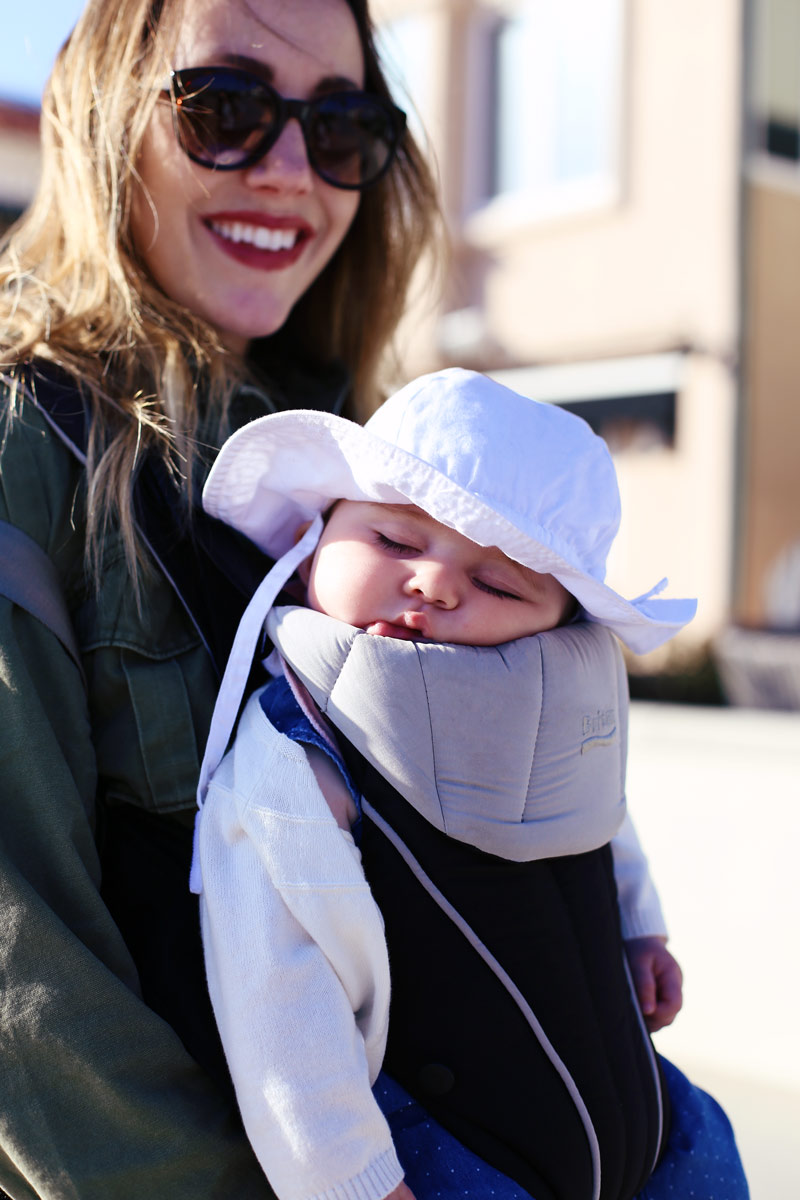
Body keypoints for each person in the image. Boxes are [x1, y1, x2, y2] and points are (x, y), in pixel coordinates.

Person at [0, 0, 438, 1196]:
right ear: (107, 121)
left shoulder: (374, 467)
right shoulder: (26, 443)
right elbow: (27, 987)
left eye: (340, 127)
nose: (292, 171)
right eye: (224, 108)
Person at [192, 369, 747, 1200]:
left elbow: (595, 810)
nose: (436, 584)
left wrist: (641, 926)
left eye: (496, 583)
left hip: (653, 1125)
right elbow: (278, 1005)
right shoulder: (296, 758)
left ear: (558, 624)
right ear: (315, 539)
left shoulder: (548, 706)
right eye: (396, 541)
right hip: (456, 1155)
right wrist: (352, 1183)